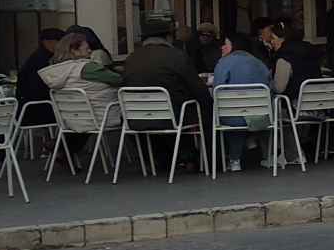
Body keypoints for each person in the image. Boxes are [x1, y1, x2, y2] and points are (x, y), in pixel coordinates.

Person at [120, 17, 213, 168]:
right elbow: (198, 89)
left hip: (135, 118)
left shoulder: (131, 58)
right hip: (173, 117)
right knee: (203, 109)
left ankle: (160, 158)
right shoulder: (176, 56)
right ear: (168, 37)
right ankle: (204, 159)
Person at [211, 32, 273, 172]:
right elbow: (270, 86)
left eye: (225, 44)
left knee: (232, 113)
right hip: (260, 117)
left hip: (232, 118)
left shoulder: (224, 63)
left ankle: (234, 160)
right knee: (246, 112)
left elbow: (216, 90)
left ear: (234, 46)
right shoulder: (259, 63)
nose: (222, 47)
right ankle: (267, 155)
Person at [37, 31, 123, 124]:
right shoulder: (87, 68)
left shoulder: (55, 71)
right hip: (102, 117)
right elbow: (120, 80)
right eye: (87, 48)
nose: (90, 51)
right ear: (74, 50)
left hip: (71, 120)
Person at [263, 21, 323, 104]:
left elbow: (279, 88)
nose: (271, 42)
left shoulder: (284, 58)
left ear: (282, 38)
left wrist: (268, 80)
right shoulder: (309, 50)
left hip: (296, 108)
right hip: (319, 104)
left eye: (273, 38)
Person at [15, 27, 65, 126]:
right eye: (60, 42)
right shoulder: (43, 61)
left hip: (28, 108)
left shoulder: (37, 57)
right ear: (47, 42)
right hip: (37, 109)